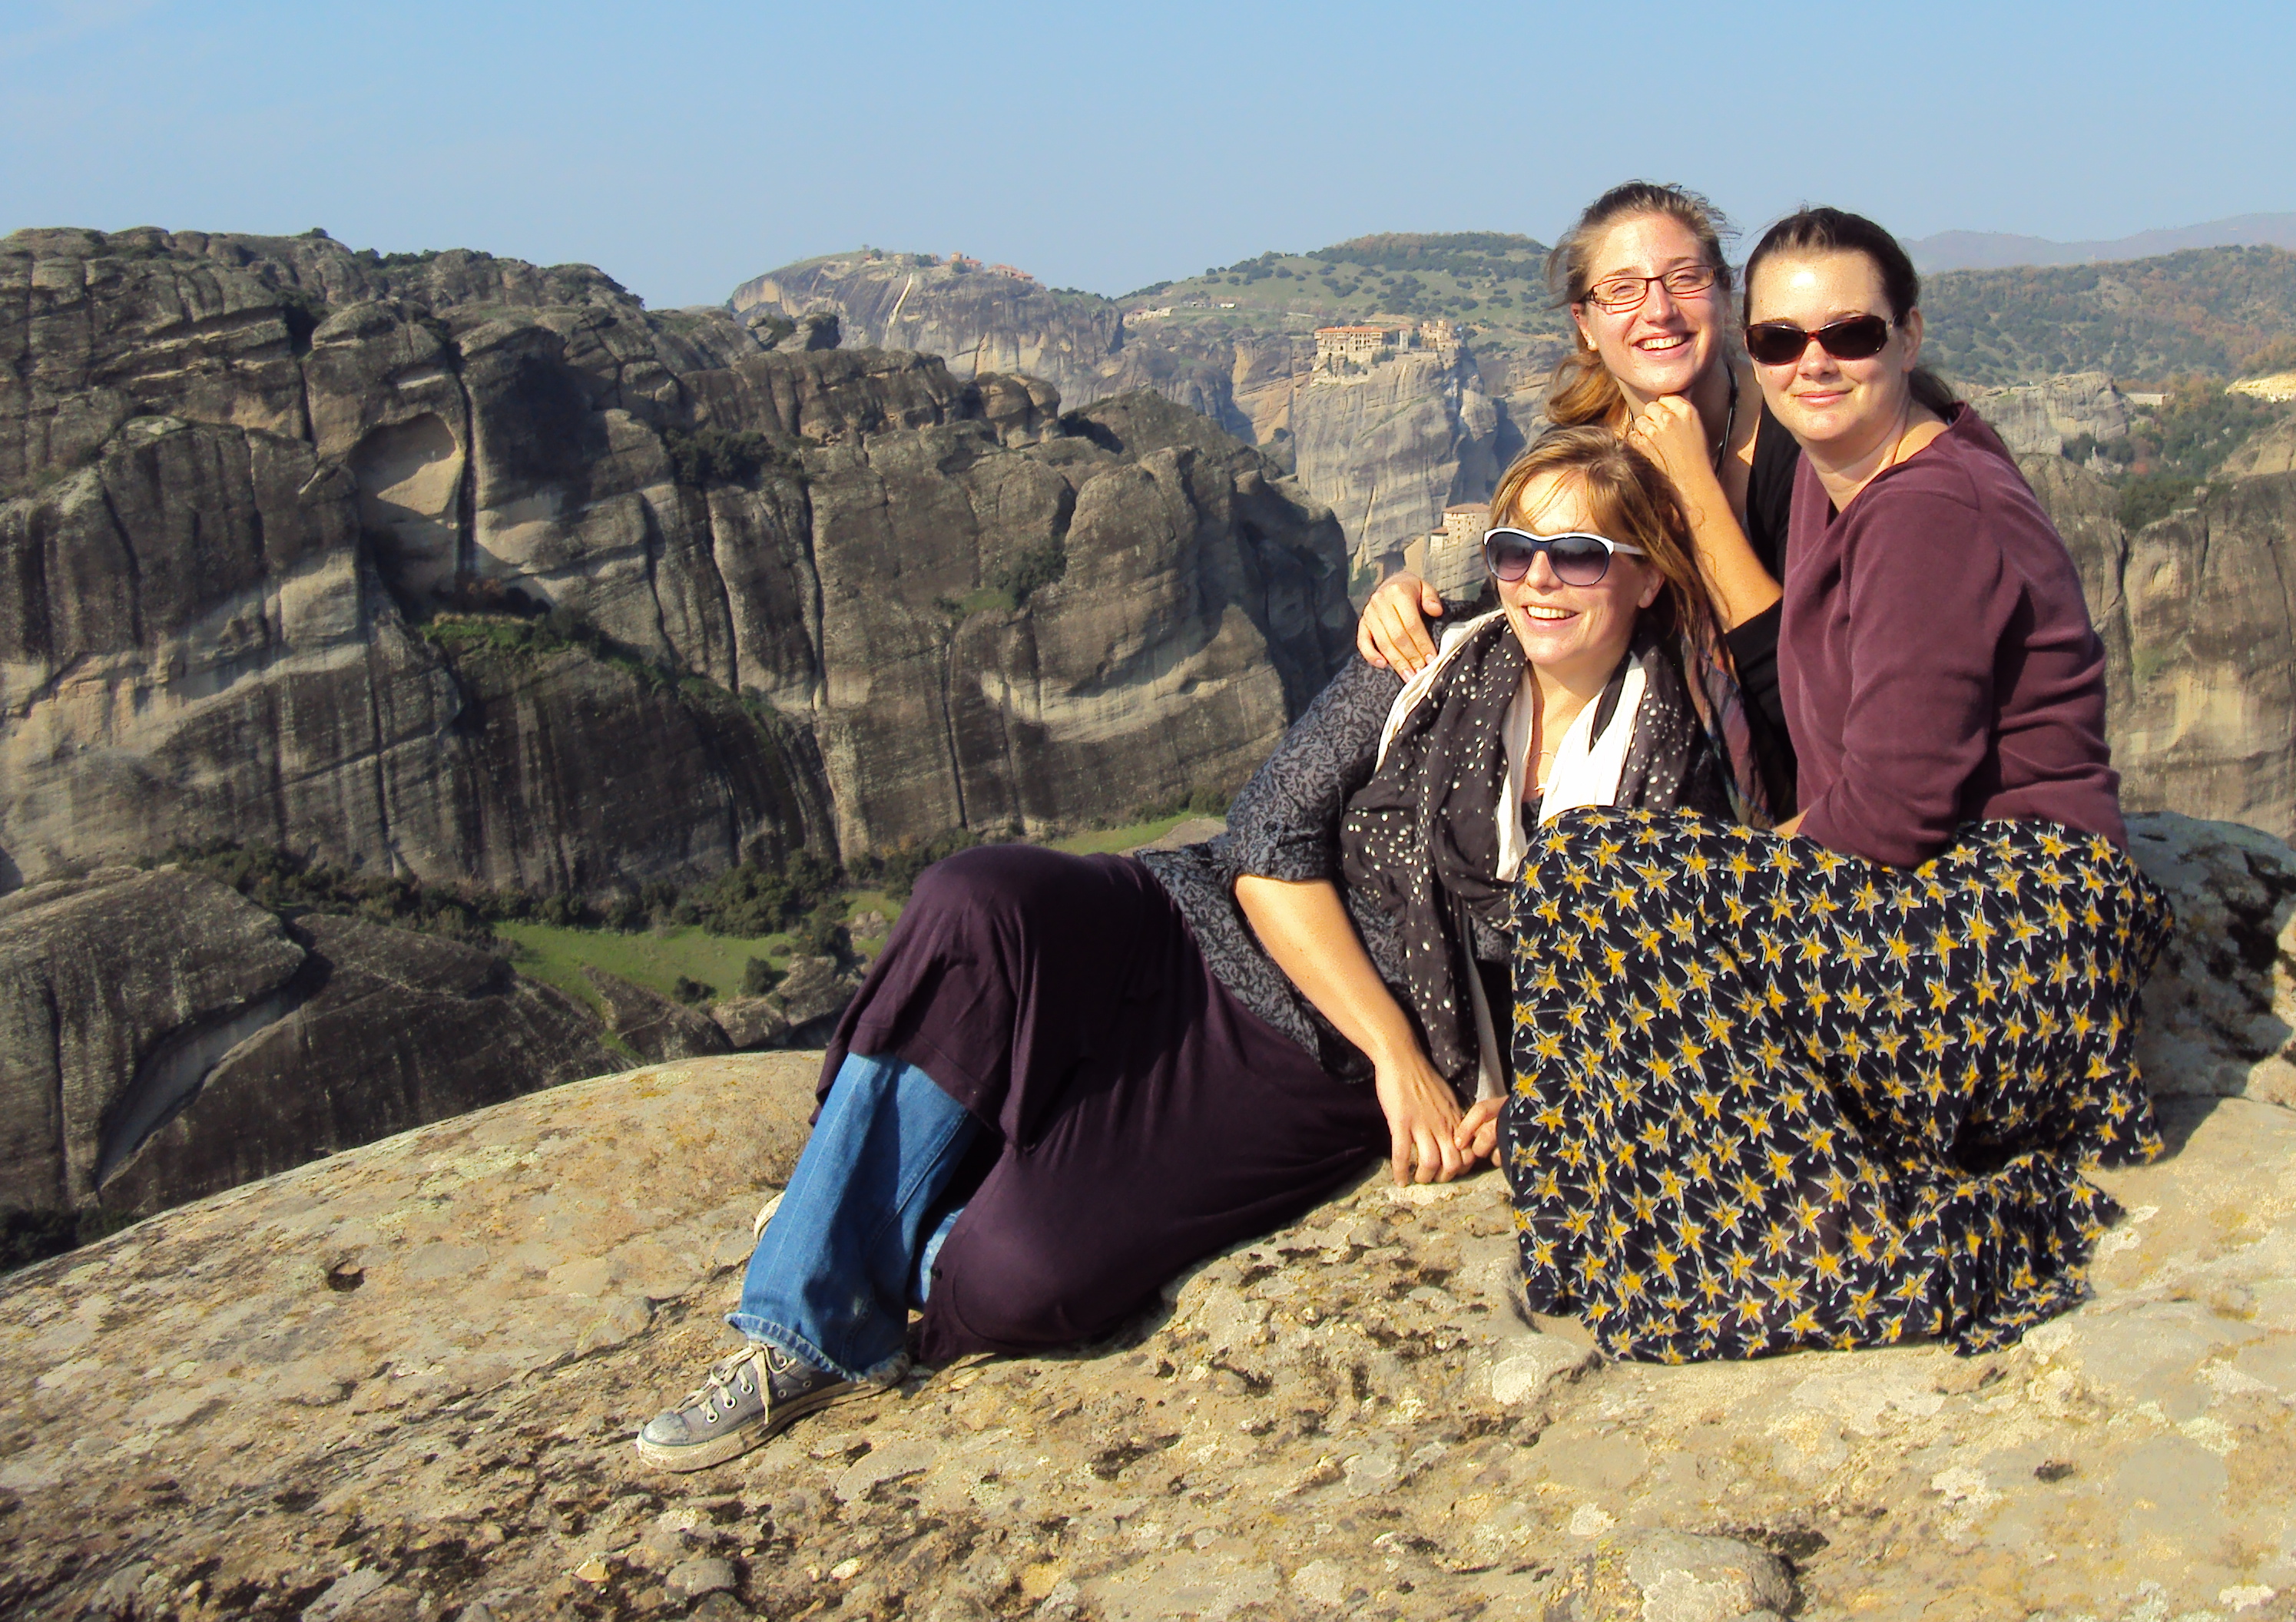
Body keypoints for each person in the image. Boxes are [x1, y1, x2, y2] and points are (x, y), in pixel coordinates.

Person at [635, 428, 1734, 1471]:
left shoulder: (1669, 773)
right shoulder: (1430, 654)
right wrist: (1401, 1053)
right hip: (1198, 922)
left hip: (1302, 1067)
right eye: (1516, 549)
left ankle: (877, 1209)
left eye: (1578, 554)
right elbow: (1266, 839)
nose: (1538, 579)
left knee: (1020, 1280)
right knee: (975, 900)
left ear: (1642, 577)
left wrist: (1529, 1097)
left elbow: (1625, 998)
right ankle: (805, 1321)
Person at [1499, 206, 2169, 1365]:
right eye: (1780, 342)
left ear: (1907, 337)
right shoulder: (1846, 473)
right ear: (1750, 354)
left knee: (1596, 877)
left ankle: (1858, 1250)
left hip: (2014, 941)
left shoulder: (1925, 513)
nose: (1814, 363)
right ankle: (1616, 1225)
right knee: (1606, 880)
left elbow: (1887, 818)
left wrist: (1714, 899)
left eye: (1849, 335)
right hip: (1959, 913)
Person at [1355, 181, 1802, 813]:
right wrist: (1408, 598)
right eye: (1622, 289)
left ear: (1725, 296)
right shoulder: (1581, 453)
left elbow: (1804, 694)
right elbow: (1527, 598)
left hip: (1767, 811)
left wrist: (1694, 489)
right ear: (1585, 324)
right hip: (1606, 785)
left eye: (1684, 278)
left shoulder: (1798, 449)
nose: (1659, 310)